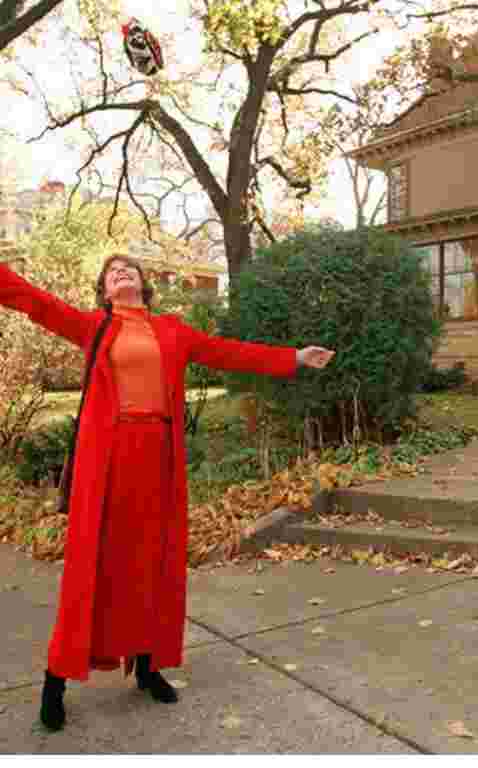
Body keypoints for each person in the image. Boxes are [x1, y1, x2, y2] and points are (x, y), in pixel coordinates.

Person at [0, 254, 335, 732]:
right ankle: (56, 680)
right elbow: (35, 302)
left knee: (152, 563)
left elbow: (226, 352)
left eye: (128, 269)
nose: (121, 274)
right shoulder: (92, 326)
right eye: (112, 272)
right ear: (104, 288)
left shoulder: (173, 331)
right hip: (110, 459)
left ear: (143, 282)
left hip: (158, 457)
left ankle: (148, 666)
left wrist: (293, 358)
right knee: (93, 566)